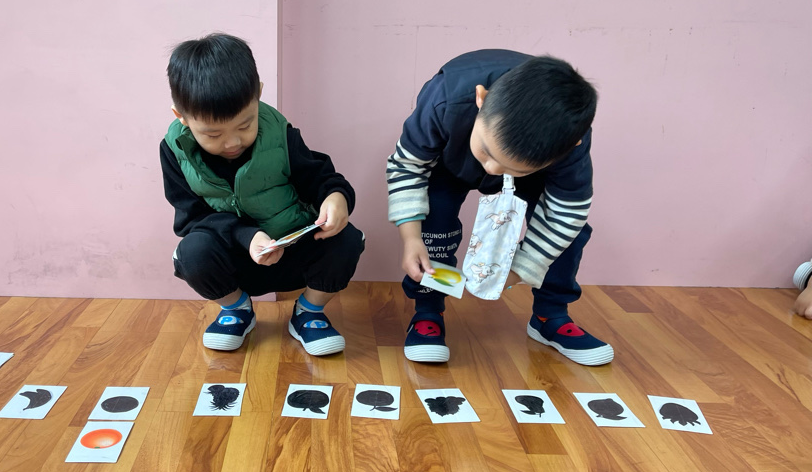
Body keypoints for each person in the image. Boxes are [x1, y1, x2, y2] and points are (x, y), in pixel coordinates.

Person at [387, 49, 613, 365]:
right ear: (481, 99)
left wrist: (521, 269)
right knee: (434, 223)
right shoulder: (445, 99)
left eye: (509, 166)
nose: (492, 169)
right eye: (488, 152)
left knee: (570, 234)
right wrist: (411, 238)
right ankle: (427, 312)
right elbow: (408, 166)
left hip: (530, 175)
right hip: (448, 160)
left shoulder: (569, 141)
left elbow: (567, 212)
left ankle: (549, 317)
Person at [161, 33, 364, 356]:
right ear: (181, 117)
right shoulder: (174, 151)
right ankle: (236, 310)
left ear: (258, 94)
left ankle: (309, 313)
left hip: (292, 248)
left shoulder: (280, 134)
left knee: (348, 239)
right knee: (191, 253)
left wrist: (336, 197)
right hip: (233, 259)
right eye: (213, 134)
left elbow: (319, 177)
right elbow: (191, 220)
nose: (232, 143)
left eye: (245, 126)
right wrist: (247, 236)